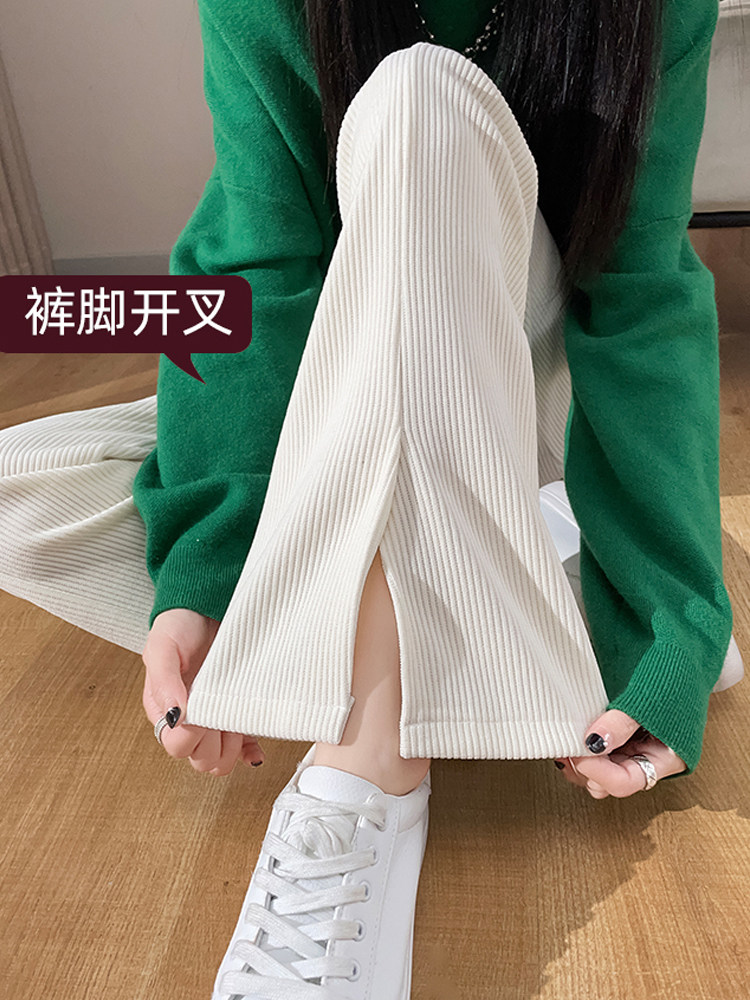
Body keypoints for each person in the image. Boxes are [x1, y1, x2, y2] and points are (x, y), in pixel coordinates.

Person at [0, 0, 741, 996]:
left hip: (531, 381)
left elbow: (640, 288)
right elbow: (260, 264)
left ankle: (364, 770)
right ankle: (521, 606)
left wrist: (676, 607)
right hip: (344, 383)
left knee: (419, 101)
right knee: (20, 495)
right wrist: (203, 566)